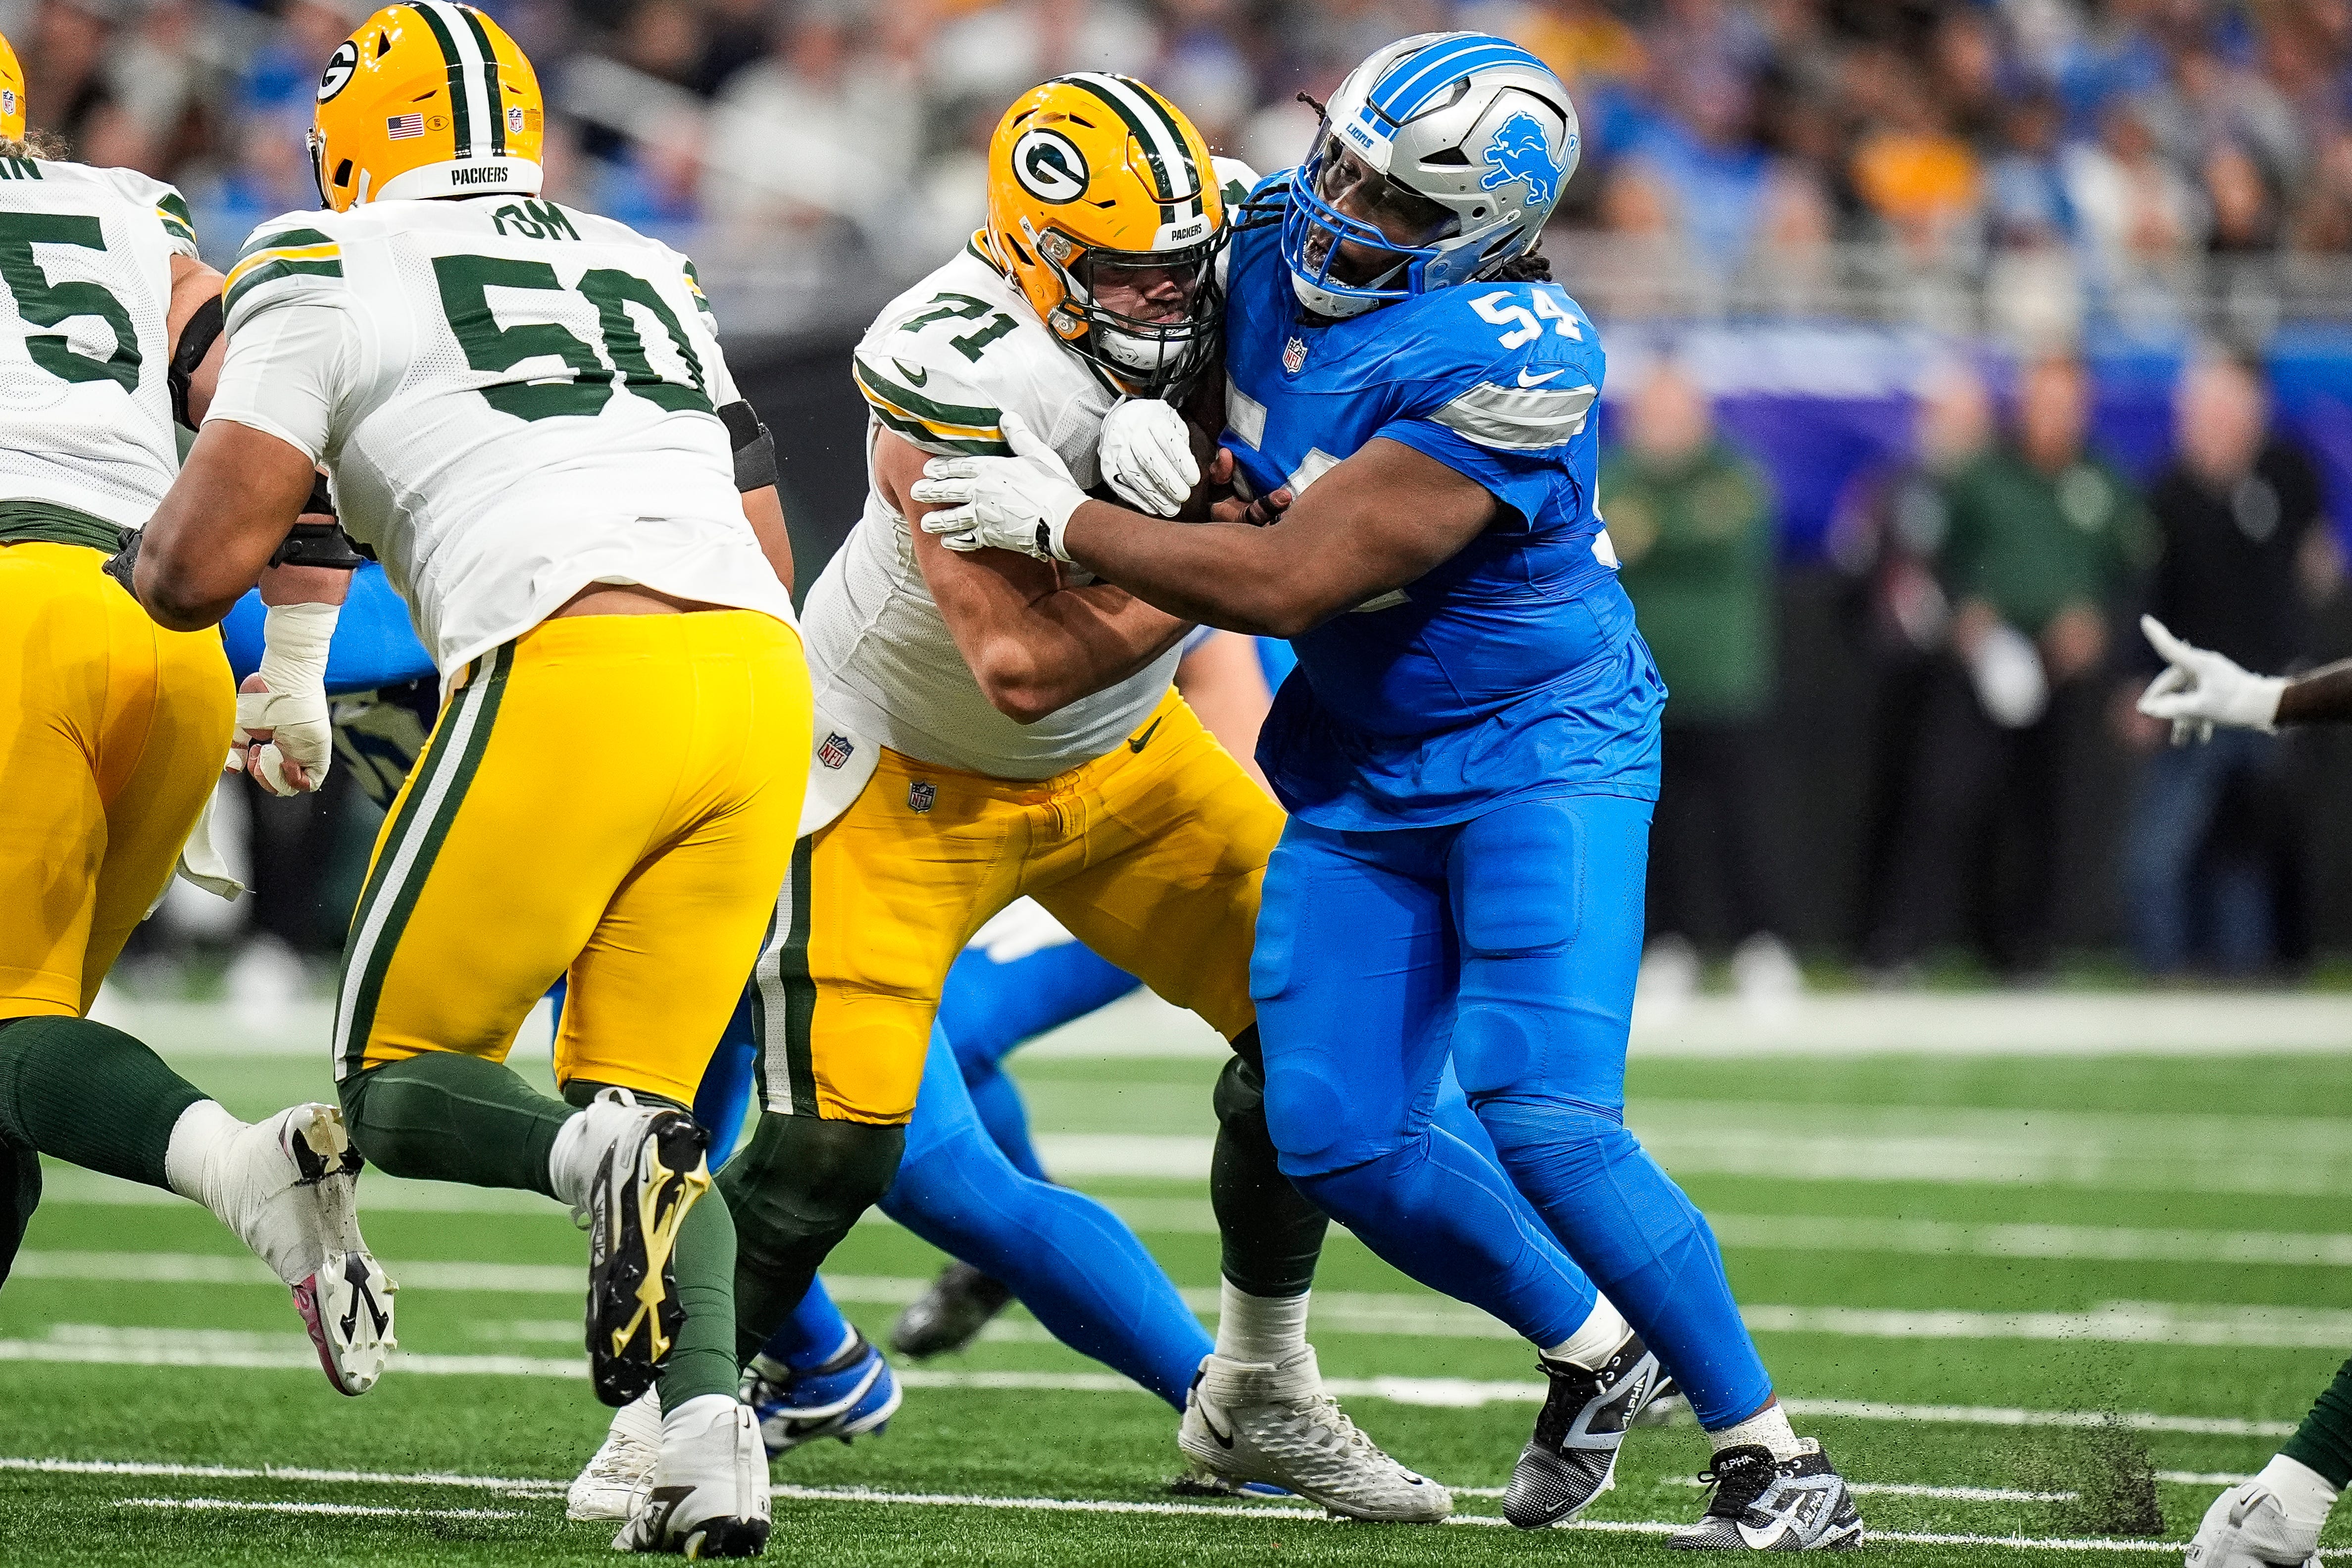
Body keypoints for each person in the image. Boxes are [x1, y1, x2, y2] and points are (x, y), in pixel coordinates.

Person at [914, 31, 1863, 1549]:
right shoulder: (1265, 230)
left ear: (1482, 224)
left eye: (1399, 198)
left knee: (1543, 1110)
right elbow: (1120, 270)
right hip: (1360, 763)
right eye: (1343, 157)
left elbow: (1293, 576)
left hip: (1538, 747)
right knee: (1334, 1126)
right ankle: (1594, 1351)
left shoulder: (1517, 352)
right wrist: (1143, 421)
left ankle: (1773, 1455)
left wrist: (1073, 513)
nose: (1343, 201)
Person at [625, 74, 1446, 1521]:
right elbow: (1017, 664)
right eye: (1118, 269)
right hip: (899, 773)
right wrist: (1224, 542)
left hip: (1126, 760)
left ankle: (1255, 1384)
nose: (1160, 293)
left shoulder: (1233, 257)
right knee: (835, 1142)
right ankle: (682, 1406)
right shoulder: (950, 365)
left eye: (1175, 264)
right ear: (1029, 255)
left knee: (1312, 1031)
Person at [126, 4, 804, 1553]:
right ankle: (708, 1445)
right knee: (646, 1095)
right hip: (755, 678)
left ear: (360, 134)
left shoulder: (319, 253)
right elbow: (761, 533)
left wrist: (140, 541)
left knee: (402, 1077)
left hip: (574, 664)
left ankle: (591, 1165)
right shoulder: (642, 260)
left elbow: (190, 566)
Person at [0, 25, 391, 1404]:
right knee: (23, 1052)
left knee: (4, 1029)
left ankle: (244, 1167)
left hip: (8, 623)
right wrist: (290, 654)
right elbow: (282, 420)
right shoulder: (124, 208)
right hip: (157, 638)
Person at [1866, 354, 2150, 976]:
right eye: (2041, 402)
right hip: (1981, 666)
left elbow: (2132, 576)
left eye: (2064, 404)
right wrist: (1967, 616)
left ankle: (2026, 949)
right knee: (1945, 802)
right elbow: (1935, 565)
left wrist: (2098, 624)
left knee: (2046, 811)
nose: (2051, 418)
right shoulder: (1982, 476)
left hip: (2066, 673)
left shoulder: (2102, 482)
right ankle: (1903, 942)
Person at [2119, 355, 2331, 975]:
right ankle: (2164, 979)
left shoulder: (2285, 474)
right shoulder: (2168, 491)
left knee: (2246, 854)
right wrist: (2136, 682)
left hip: (2267, 693)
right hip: (2198, 695)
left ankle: (2247, 981)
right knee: (2159, 852)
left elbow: (2313, 570)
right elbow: (2147, 596)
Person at [1601, 359, 1800, 1013]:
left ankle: (1761, 943)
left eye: (1673, 411)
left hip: (1724, 679)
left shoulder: (1731, 469)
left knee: (1744, 822)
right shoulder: (1616, 471)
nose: (1662, 426)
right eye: (1652, 413)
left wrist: (1655, 532)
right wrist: (1674, 531)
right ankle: (1666, 943)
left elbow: (1733, 537)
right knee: (1655, 825)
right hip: (1640, 682)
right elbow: (1602, 541)